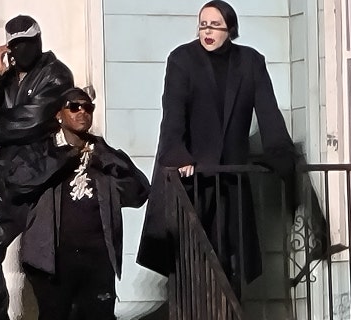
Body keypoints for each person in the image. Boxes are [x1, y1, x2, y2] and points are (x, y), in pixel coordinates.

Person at [137, 0, 299, 297]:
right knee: (190, 266)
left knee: (230, 266)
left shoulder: (250, 62)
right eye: (202, 24)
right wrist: (178, 155)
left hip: (230, 183)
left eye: (214, 25)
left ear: (230, 30)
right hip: (191, 183)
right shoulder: (182, 60)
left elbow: (269, 114)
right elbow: (172, 116)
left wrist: (280, 154)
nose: (207, 31)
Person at [0, 15, 74, 320]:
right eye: (15, 43)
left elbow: (31, 120)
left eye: (26, 42)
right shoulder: (2, 79)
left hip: (38, 175)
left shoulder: (56, 75)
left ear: (38, 40)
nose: (21, 49)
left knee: (43, 260)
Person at [7, 88, 151, 320]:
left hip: (98, 258)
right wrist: (64, 157)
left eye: (88, 107)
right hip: (52, 260)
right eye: (74, 106)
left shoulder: (103, 154)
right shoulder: (42, 152)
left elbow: (140, 192)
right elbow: (18, 184)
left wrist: (104, 157)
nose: (82, 112)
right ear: (59, 114)